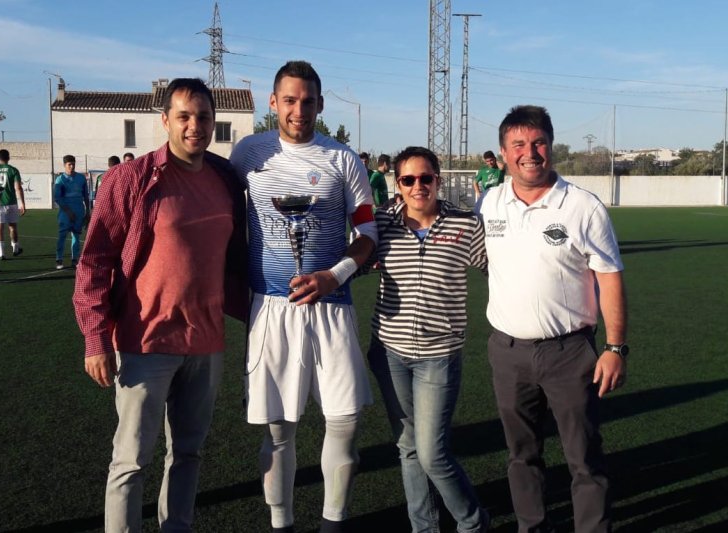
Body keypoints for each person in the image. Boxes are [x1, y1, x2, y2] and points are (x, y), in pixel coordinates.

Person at [72, 78, 248, 533]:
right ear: (165, 120)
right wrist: (96, 339)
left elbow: (237, 259)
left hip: (206, 344)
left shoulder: (226, 179)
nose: (195, 126)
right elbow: (94, 260)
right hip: (145, 342)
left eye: (204, 117)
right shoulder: (132, 178)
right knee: (131, 461)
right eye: (184, 116)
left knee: (188, 453)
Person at [230, 60, 377, 533]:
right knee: (278, 431)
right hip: (272, 309)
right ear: (273, 103)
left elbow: (368, 234)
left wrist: (335, 276)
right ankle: (282, 523)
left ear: (320, 103)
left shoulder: (343, 159)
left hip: (332, 308)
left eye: (308, 101)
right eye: (289, 100)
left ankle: (333, 523)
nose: (299, 110)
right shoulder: (248, 154)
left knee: (345, 421)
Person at [476, 105, 628, 532]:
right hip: (507, 352)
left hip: (569, 352)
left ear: (551, 145)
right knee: (522, 455)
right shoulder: (490, 203)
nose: (530, 153)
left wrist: (615, 347)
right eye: (519, 144)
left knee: (584, 459)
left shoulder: (582, 206)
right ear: (504, 153)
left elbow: (611, 277)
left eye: (538, 142)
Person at [367, 146, 489, 532]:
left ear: (438, 179)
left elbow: (499, 271)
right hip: (389, 351)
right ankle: (425, 528)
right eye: (408, 180)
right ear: (397, 184)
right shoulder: (382, 222)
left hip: (439, 355)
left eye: (426, 178)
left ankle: (473, 525)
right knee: (407, 448)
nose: (418, 186)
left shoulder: (465, 224)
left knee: (434, 454)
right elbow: (353, 260)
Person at [53, 155, 90, 269]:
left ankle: (74, 259)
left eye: (73, 164)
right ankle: (59, 259)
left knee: (76, 236)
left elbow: (85, 195)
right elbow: (57, 198)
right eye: (69, 164)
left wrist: (88, 211)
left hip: (79, 210)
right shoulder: (60, 179)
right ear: (64, 165)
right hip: (65, 212)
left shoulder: (81, 178)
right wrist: (68, 211)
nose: (72, 166)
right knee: (62, 235)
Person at [0, 149, 26, 260]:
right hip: (11, 203)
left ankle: (1, 253)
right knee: (13, 227)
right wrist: (23, 204)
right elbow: (18, 188)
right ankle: (15, 248)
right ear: (8, 158)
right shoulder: (13, 170)